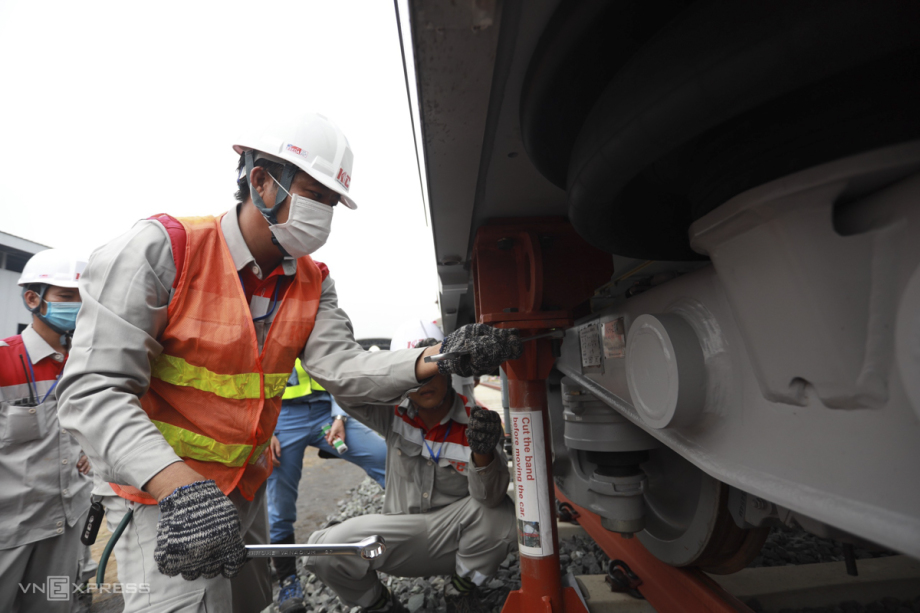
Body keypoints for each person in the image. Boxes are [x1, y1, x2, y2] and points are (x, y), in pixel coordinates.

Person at [57, 112, 522, 613]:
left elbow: (342, 366)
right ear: (261, 181)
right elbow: (93, 390)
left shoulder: (312, 281)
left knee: (248, 602)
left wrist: (439, 356)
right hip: (163, 494)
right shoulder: (164, 250)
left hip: (240, 488)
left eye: (330, 203)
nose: (321, 213)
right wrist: (179, 486)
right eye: (314, 195)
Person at [305, 338, 515, 613]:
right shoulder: (392, 414)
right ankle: (380, 605)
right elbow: (343, 389)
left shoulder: (479, 421)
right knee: (323, 552)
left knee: (502, 516)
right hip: (399, 537)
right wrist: (399, 370)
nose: (425, 382)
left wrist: (483, 452)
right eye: (417, 372)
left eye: (433, 368)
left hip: (454, 535)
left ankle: (460, 590)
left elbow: (490, 497)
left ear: (449, 370)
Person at [0, 249, 93, 613]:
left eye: (82, 298)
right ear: (32, 299)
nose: (77, 306)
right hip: (10, 530)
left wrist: (91, 451)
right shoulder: (5, 361)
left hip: (67, 523)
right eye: (66, 296)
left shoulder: (88, 364)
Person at [269, 358, 387, 613]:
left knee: (383, 456)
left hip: (327, 412)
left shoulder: (315, 321)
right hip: (279, 418)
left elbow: (334, 364)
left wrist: (340, 415)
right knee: (279, 504)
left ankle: (415, 524)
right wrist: (263, 428)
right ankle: (288, 581)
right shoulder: (258, 324)